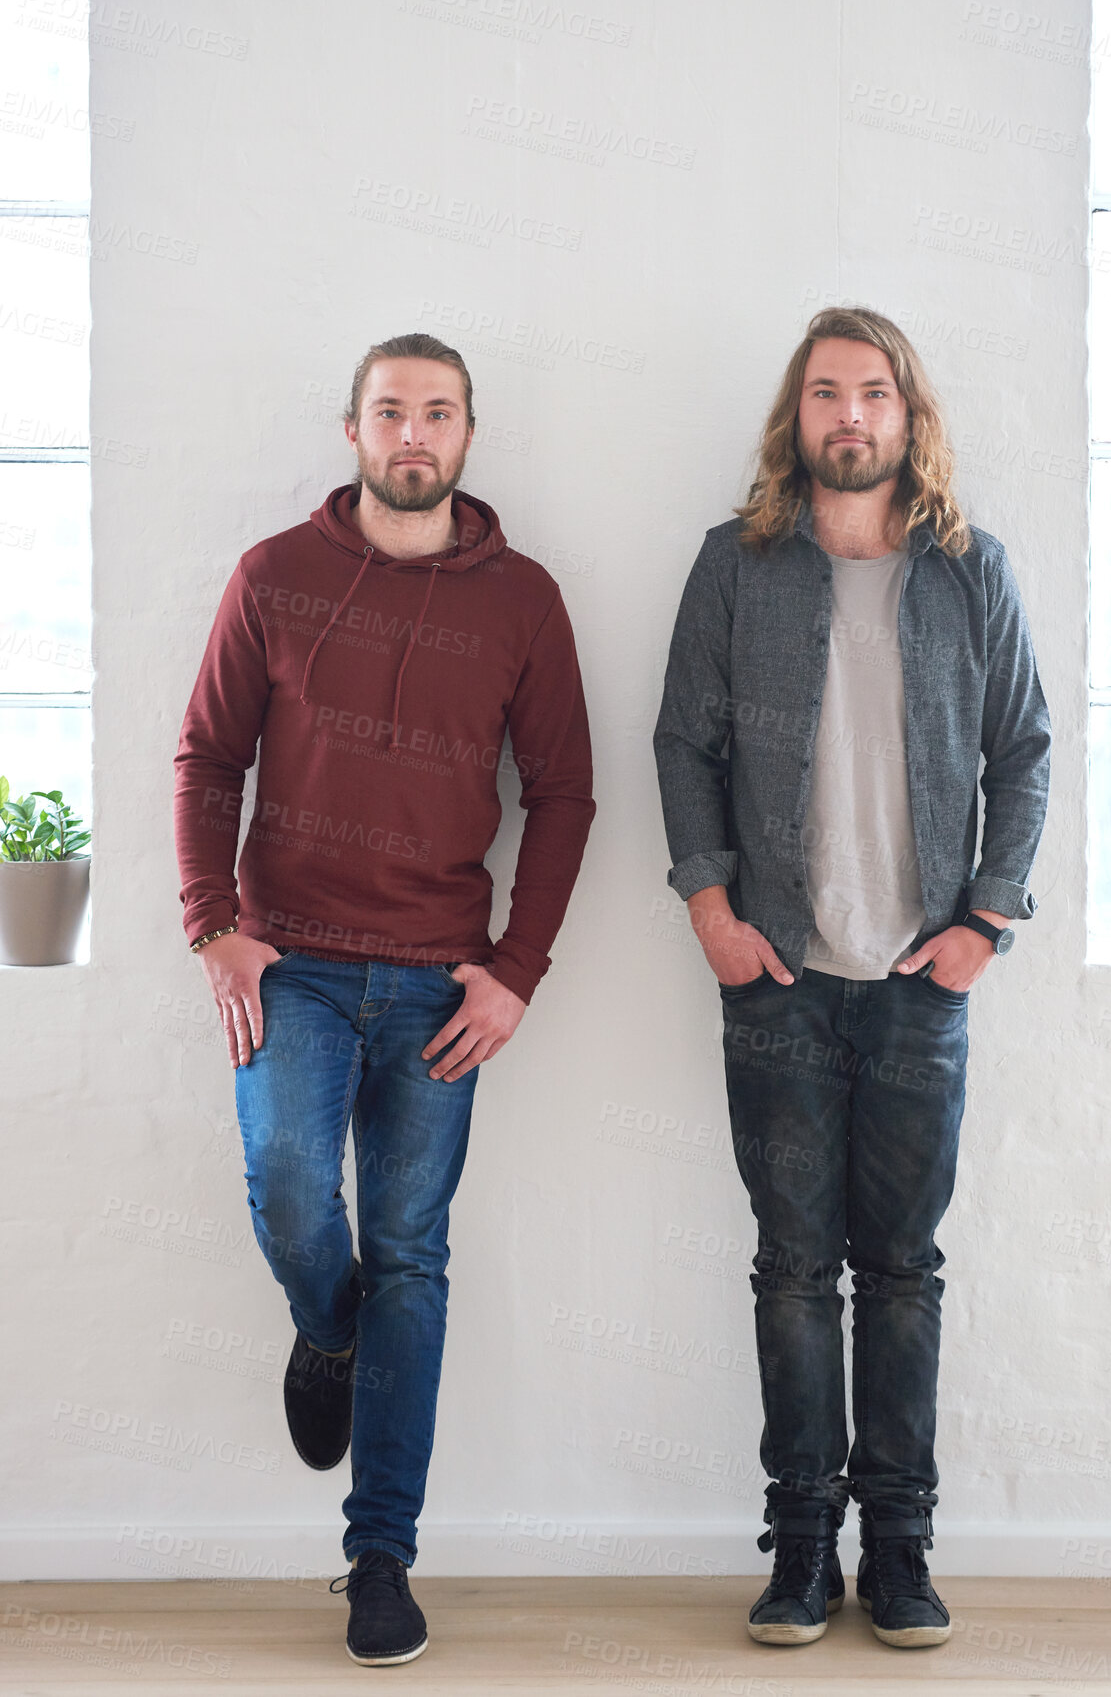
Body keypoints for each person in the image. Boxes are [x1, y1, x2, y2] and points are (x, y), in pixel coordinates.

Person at [173, 333, 595, 1666]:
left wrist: (518, 969)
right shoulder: (275, 578)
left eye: (438, 414)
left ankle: (380, 1558)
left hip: (435, 985)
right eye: (390, 412)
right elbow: (205, 759)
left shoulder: (522, 599)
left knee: (412, 1249)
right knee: (296, 1187)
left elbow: (568, 794)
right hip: (286, 964)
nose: (414, 434)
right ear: (351, 430)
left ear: (470, 435)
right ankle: (326, 1331)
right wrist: (214, 930)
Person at [653, 307, 1050, 1651]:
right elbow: (681, 744)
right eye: (827, 393)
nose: (850, 416)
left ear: (905, 412)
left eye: (872, 393)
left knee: (901, 1270)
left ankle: (902, 1549)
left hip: (918, 986)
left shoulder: (968, 571)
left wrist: (986, 922)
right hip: (777, 977)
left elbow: (1027, 750)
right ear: (798, 417)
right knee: (788, 1269)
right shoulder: (739, 566)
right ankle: (803, 1549)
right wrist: (709, 905)